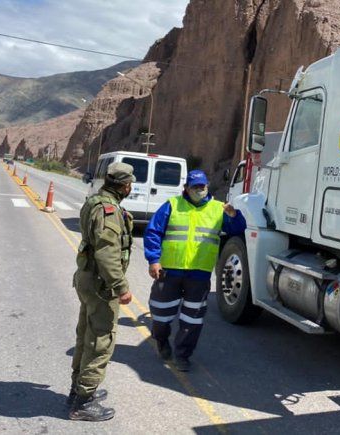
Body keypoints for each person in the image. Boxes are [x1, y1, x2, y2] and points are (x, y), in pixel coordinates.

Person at [144, 170, 246, 371]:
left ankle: (182, 355)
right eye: (195, 187)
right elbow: (153, 232)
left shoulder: (218, 209)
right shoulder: (172, 205)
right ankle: (162, 341)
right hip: (169, 271)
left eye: (203, 186)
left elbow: (237, 229)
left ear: (207, 187)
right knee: (161, 315)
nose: (200, 190)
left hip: (199, 274)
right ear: (186, 189)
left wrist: (235, 215)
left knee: (192, 319)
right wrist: (154, 260)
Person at [68, 162, 135, 422]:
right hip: (100, 283)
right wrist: (121, 286)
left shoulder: (95, 200)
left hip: (87, 278)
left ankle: (79, 389)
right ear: (124, 185)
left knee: (86, 335)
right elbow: (107, 253)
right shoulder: (108, 210)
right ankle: (83, 402)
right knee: (100, 341)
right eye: (130, 184)